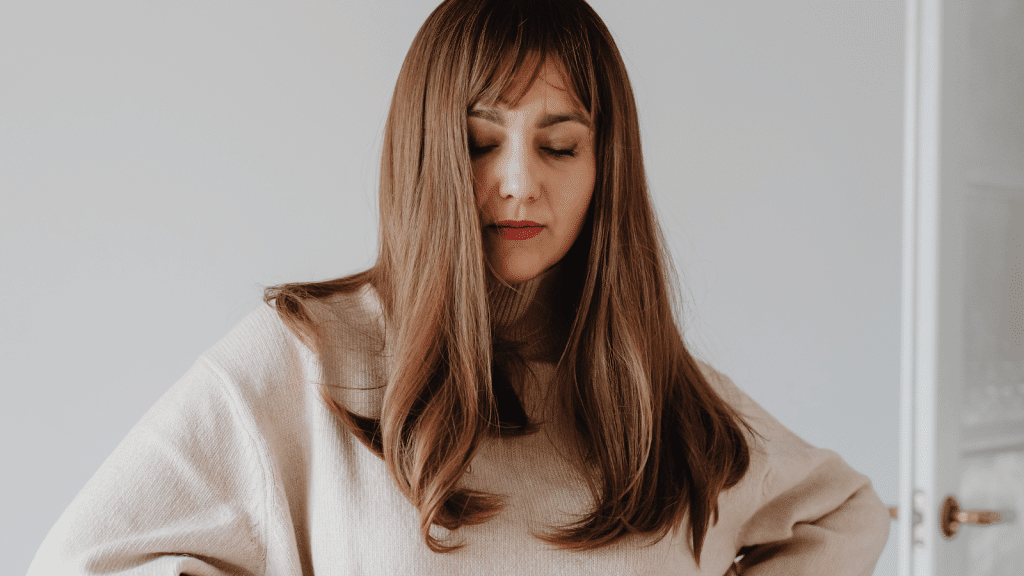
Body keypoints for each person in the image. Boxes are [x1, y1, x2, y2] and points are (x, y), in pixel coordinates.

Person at [27, 0, 891, 574]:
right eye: (481, 142)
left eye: (559, 146)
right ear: (427, 154)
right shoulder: (311, 359)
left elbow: (845, 514)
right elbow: (80, 563)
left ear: (606, 167)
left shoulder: (661, 395)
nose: (519, 182)